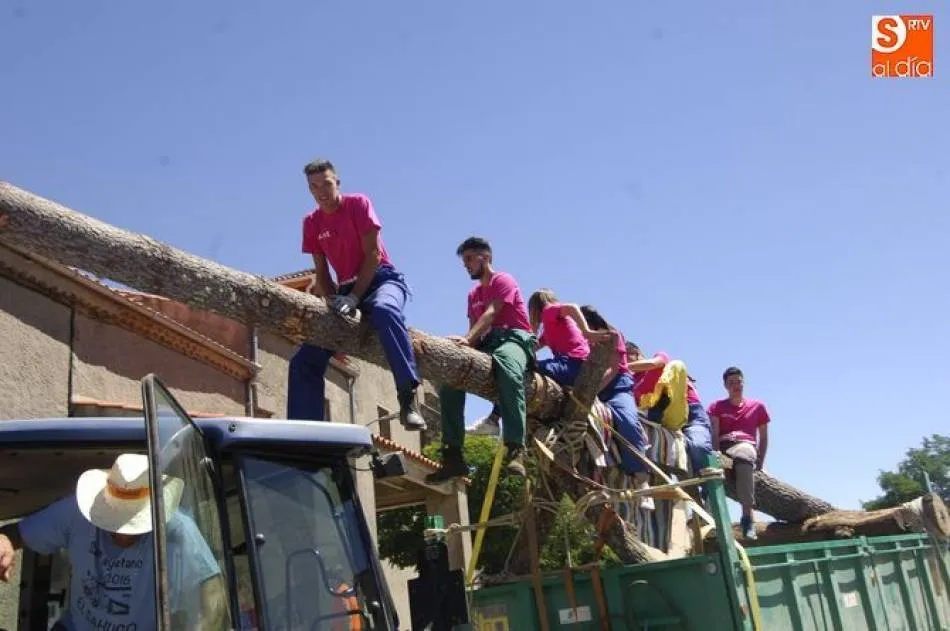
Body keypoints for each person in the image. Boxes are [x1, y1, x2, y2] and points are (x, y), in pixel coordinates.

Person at [0, 453, 226, 631]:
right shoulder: (77, 511)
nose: (123, 537)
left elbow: (214, 593)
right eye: (113, 525)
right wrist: (4, 542)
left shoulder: (177, 528)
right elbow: (16, 533)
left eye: (134, 527)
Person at [287, 159, 425, 431]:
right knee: (304, 360)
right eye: (313, 187)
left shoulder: (358, 204)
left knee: (385, 311)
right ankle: (305, 432)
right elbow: (322, 272)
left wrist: (355, 298)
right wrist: (331, 309)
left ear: (337, 182)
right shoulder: (311, 223)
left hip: (381, 279)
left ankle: (408, 400)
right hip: (346, 291)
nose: (321, 191)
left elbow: (373, 255)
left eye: (326, 183)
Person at [426, 237, 536, 482]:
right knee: (451, 378)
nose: (466, 265)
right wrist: (464, 344)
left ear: (485, 257)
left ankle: (515, 448)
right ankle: (453, 456)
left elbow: (492, 312)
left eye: (469, 259)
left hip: (513, 339)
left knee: (508, 369)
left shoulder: (503, 280)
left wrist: (468, 338)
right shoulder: (472, 294)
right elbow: (474, 329)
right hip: (485, 343)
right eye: (463, 261)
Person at [469, 288, 610, 435]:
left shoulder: (549, 311)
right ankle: (497, 419)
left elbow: (572, 307)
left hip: (573, 363)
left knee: (517, 373)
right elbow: (532, 346)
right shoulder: (549, 329)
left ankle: (494, 419)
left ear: (535, 308)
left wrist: (586, 331)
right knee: (518, 368)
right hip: (571, 364)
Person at [579, 306, 652, 507]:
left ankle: (642, 478)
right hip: (590, 388)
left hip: (616, 388)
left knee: (627, 420)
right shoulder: (580, 339)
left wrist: (590, 391)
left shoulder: (612, 335)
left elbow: (612, 369)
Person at [627, 345, 716, 479]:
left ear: (637, 354)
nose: (624, 359)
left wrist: (623, 365)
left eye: (626, 355)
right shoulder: (631, 383)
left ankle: (709, 490)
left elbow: (657, 362)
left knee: (698, 446)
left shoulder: (660, 361)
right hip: (662, 417)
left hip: (690, 413)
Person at [707, 366, 771, 540]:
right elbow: (714, 432)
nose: (736, 385)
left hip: (746, 445)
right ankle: (710, 518)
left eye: (739, 382)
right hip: (725, 445)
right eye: (731, 383)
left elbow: (764, 438)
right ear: (725, 386)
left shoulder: (758, 407)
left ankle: (747, 518)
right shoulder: (716, 407)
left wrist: (760, 463)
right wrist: (715, 454)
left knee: (744, 456)